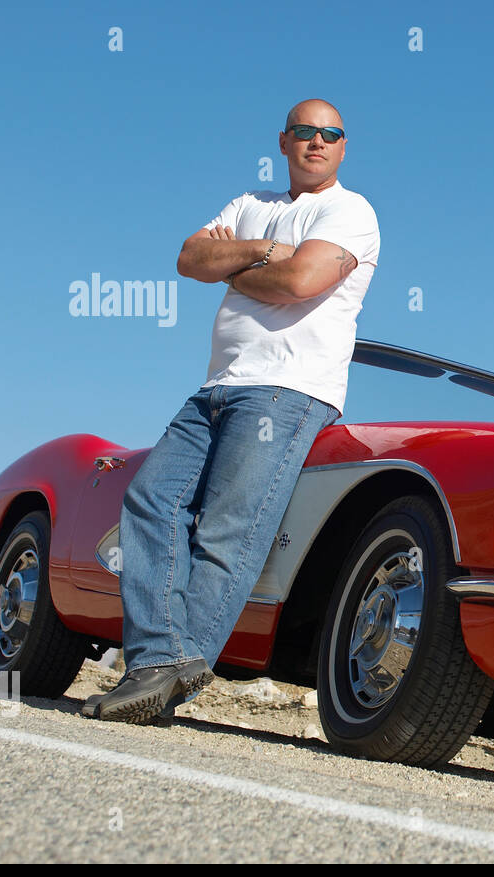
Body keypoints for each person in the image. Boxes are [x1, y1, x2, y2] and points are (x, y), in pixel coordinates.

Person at [83, 99, 380, 724]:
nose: (317, 142)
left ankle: (163, 673)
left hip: (287, 390)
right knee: (149, 499)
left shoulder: (350, 211)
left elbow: (301, 282)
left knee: (226, 530)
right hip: (217, 387)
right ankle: (163, 660)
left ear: (344, 147)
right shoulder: (251, 203)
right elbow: (190, 260)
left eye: (331, 134)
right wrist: (265, 253)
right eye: (304, 132)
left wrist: (236, 263)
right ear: (284, 140)